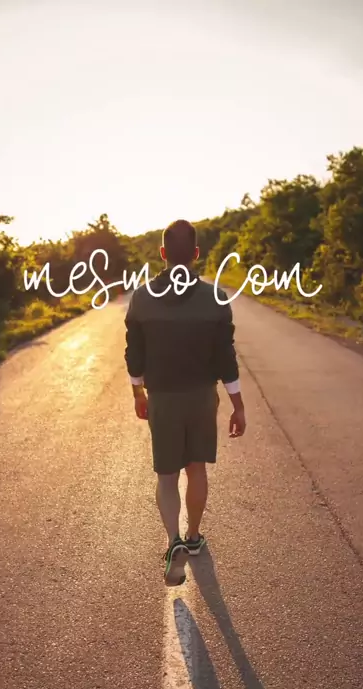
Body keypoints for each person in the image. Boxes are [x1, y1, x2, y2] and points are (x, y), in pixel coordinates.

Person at [124, 219, 246, 585]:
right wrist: (238, 404)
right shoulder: (215, 298)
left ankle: (173, 540)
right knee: (196, 469)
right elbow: (226, 357)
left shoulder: (142, 298)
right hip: (201, 397)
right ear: (195, 253)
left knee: (166, 476)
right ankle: (193, 537)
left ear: (162, 252)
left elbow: (135, 353)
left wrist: (138, 392)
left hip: (162, 397)